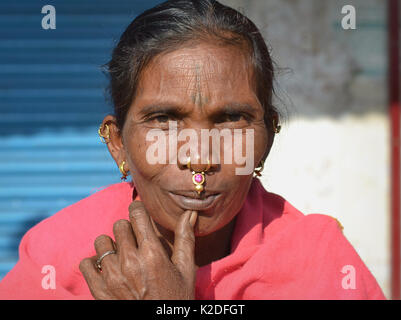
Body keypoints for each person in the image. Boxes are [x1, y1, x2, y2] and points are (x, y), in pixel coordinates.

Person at [0, 0, 385, 300]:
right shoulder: (59, 256)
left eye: (231, 118)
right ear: (117, 143)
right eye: (164, 120)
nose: (199, 158)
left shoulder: (317, 264)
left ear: (266, 140)